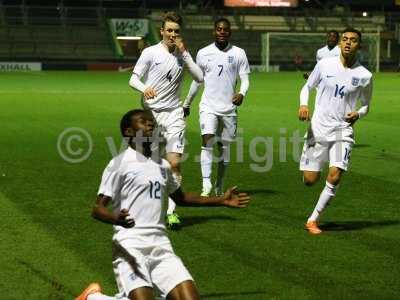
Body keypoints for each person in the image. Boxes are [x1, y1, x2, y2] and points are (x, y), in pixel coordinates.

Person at [75, 109, 250, 300]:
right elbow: (97, 208)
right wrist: (115, 218)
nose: (150, 124)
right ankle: (93, 298)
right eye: (143, 121)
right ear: (128, 132)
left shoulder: (163, 166)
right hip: (130, 244)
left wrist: (221, 200)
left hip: (161, 246)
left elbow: (181, 198)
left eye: (152, 122)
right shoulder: (119, 164)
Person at [129, 12, 203, 228]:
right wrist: (145, 88)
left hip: (174, 114)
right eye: (169, 30)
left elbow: (199, 78)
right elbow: (133, 78)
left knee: (174, 163)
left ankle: (171, 212)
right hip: (151, 115)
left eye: (176, 31)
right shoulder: (151, 53)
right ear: (161, 31)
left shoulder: (184, 55)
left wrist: (185, 53)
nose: (172, 34)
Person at [298, 28, 373, 235]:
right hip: (318, 129)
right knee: (310, 180)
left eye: (354, 40)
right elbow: (306, 87)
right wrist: (304, 105)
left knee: (335, 175)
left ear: (359, 45)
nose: (348, 43)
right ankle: (310, 170)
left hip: (343, 131)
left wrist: (358, 113)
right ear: (340, 43)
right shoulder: (324, 64)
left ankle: (313, 220)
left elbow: (366, 105)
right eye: (345, 39)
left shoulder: (365, 76)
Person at [182, 18, 250, 196]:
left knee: (224, 149)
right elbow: (198, 81)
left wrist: (242, 93)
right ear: (214, 31)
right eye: (219, 29)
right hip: (208, 106)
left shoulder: (239, 53)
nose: (222, 32)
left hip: (229, 108)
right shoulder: (203, 53)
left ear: (230, 32)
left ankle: (219, 184)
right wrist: (187, 103)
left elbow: (245, 79)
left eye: (225, 30)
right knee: (207, 141)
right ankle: (206, 185)